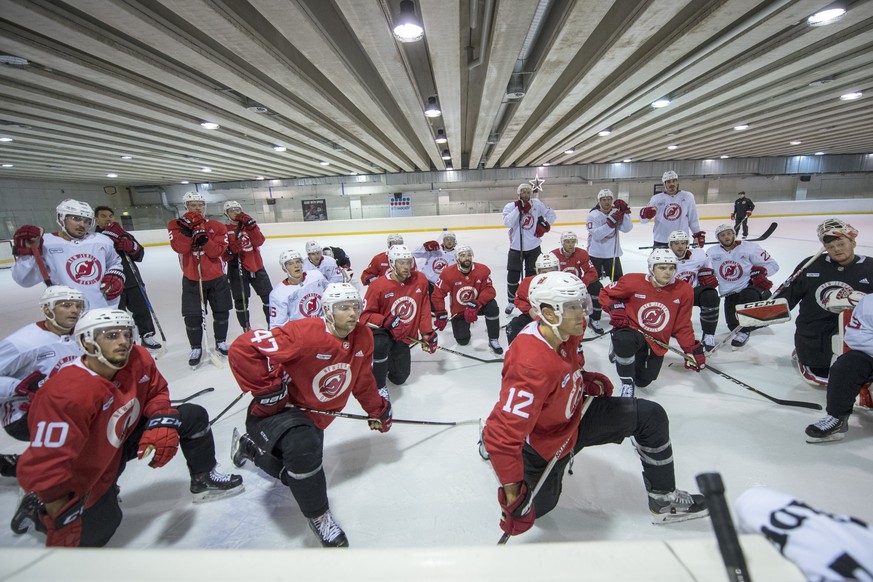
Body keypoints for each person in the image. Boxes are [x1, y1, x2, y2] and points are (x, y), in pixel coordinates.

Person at [482, 271, 707, 541]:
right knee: (539, 510)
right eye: (573, 307)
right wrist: (513, 500)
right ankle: (486, 434)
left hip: (576, 417)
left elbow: (567, 367)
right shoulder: (531, 364)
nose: (582, 314)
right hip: (543, 443)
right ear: (549, 313)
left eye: (581, 304)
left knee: (650, 416)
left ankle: (663, 498)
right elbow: (503, 438)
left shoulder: (566, 331)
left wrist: (584, 380)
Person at [14, 308, 243, 547]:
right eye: (111, 336)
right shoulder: (64, 395)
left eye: (126, 334)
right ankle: (36, 507)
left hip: (120, 441)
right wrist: (58, 509)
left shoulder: (139, 357)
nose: (123, 342)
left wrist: (160, 420)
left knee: (192, 416)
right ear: (87, 343)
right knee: (98, 534)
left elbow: (156, 391)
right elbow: (47, 464)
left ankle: (203, 478)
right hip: (89, 467)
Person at [228, 283, 391, 547]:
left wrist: (377, 409)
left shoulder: (363, 336)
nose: (352, 313)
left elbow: (361, 380)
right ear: (327, 311)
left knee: (301, 474)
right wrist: (268, 389)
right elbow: (243, 347)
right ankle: (320, 517)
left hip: (314, 417)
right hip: (279, 412)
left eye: (355, 306)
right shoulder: (302, 334)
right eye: (343, 307)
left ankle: (248, 448)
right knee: (304, 453)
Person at [0, 286, 85, 481]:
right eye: (66, 305)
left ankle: (32, 464)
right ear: (47, 310)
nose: (74, 310)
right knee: (85, 428)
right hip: (23, 416)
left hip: (63, 407)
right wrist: (18, 387)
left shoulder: (80, 334)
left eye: (77, 305)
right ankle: (44, 479)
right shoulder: (24, 342)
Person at [775, 219, 873, 385]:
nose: (836, 249)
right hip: (815, 335)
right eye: (830, 247)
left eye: (841, 243)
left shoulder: (870, 266)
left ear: (853, 242)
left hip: (857, 335)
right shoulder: (811, 265)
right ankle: (801, 352)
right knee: (823, 378)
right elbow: (785, 297)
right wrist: (758, 314)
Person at [600, 249, 706, 398]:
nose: (667, 272)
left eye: (671, 268)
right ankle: (626, 383)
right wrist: (615, 308)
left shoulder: (684, 290)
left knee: (643, 381)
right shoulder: (632, 281)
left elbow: (682, 324)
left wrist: (690, 349)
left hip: (656, 340)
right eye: (662, 267)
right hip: (631, 329)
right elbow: (605, 293)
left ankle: (633, 365)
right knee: (624, 341)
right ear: (651, 268)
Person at [12, 199, 125, 309]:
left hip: (104, 309)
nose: (82, 224)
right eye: (76, 219)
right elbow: (24, 280)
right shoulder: (45, 243)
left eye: (87, 221)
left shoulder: (102, 240)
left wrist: (116, 275)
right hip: (67, 313)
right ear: (61, 218)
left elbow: (115, 263)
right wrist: (28, 254)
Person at [361, 244, 437, 400]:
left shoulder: (420, 280)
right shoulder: (377, 286)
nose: (406, 267)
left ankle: (385, 362)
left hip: (404, 335)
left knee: (400, 378)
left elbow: (424, 307)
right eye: (401, 263)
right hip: (384, 331)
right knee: (381, 345)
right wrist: (386, 321)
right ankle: (379, 385)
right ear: (391, 263)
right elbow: (364, 316)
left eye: (408, 262)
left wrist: (427, 332)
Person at [167, 192, 232, 367]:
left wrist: (203, 238)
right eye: (193, 205)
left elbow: (217, 252)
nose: (197, 208)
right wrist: (188, 230)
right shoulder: (175, 225)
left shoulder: (217, 226)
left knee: (221, 312)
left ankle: (220, 341)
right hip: (192, 278)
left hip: (217, 277)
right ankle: (196, 347)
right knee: (192, 316)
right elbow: (179, 247)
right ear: (185, 207)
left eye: (200, 205)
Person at [804, 293, 873, 442]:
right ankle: (837, 418)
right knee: (846, 366)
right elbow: (857, 338)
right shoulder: (869, 303)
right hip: (870, 356)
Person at [93, 206, 161, 350]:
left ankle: (147, 335)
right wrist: (110, 239)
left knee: (141, 309)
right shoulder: (94, 239)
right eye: (103, 216)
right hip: (110, 282)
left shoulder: (123, 234)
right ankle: (123, 339)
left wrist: (131, 246)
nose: (108, 219)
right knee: (118, 314)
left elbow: (140, 254)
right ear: (96, 219)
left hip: (132, 278)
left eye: (110, 215)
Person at [707, 223, 780, 348]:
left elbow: (773, 265)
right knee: (733, 326)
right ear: (718, 238)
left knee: (748, 296)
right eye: (723, 235)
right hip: (730, 293)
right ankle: (761, 318)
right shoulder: (712, 252)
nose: (727, 237)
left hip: (749, 288)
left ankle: (746, 331)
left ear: (734, 234)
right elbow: (706, 270)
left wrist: (762, 273)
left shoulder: (750, 248)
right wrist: (706, 277)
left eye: (729, 233)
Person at [431, 245, 503, 355]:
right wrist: (440, 312)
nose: (467, 258)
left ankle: (493, 339)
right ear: (457, 258)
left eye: (469, 255)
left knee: (492, 306)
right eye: (463, 255)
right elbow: (437, 295)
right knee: (462, 341)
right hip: (459, 310)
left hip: (476, 305)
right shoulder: (448, 273)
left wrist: (478, 302)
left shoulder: (482, 270)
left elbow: (489, 290)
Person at [502, 182, 557, 315]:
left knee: (532, 277)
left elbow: (552, 215)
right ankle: (511, 301)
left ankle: (531, 300)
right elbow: (507, 223)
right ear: (518, 193)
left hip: (534, 247)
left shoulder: (537, 204)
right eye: (523, 192)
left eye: (528, 192)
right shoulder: (510, 206)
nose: (526, 195)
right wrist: (518, 209)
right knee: (513, 276)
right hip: (516, 247)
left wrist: (545, 225)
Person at [668, 230, 721, 351]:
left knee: (711, 295)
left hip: (693, 292)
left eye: (683, 243)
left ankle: (708, 334)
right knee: (675, 329)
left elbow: (708, 265)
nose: (680, 246)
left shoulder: (699, 255)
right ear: (670, 245)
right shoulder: (663, 258)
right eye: (676, 243)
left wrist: (708, 273)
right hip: (672, 295)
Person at [224, 201, 272, 331]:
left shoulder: (248, 226)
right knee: (241, 301)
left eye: (237, 209)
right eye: (231, 210)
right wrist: (230, 250)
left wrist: (251, 225)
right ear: (226, 213)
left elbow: (259, 241)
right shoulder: (224, 229)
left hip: (256, 266)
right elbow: (223, 255)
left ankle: (272, 324)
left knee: (269, 297)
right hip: (236, 269)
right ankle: (246, 328)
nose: (235, 212)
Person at [551, 231, 604, 334]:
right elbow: (550, 275)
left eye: (573, 241)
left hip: (577, 285)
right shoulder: (553, 255)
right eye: (567, 242)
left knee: (596, 287)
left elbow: (592, 272)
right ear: (562, 243)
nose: (571, 245)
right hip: (560, 286)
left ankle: (595, 319)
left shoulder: (582, 253)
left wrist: (581, 284)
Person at [639, 171, 704, 249]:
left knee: (683, 261)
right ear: (664, 183)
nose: (672, 184)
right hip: (661, 240)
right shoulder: (656, 199)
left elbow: (693, 219)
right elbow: (643, 221)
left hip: (681, 240)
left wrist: (697, 235)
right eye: (668, 182)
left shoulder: (688, 196)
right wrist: (645, 214)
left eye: (674, 181)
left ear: (677, 182)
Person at [505, 253, 559, 345]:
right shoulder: (528, 282)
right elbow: (518, 299)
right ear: (538, 271)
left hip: (559, 318)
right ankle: (516, 354)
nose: (548, 275)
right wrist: (529, 310)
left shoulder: (565, 282)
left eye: (552, 271)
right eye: (544, 272)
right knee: (513, 326)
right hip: (535, 317)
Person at [269, 250, 329, 328]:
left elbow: (330, 295)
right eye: (290, 263)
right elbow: (278, 326)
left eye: (298, 261)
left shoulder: (316, 276)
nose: (296, 265)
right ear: (284, 268)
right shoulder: (278, 294)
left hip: (324, 327)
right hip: (300, 334)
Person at [586, 189, 632, 281]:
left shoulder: (615, 212)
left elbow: (626, 229)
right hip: (596, 254)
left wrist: (625, 212)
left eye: (609, 199)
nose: (607, 202)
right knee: (593, 281)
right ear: (599, 201)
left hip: (613, 254)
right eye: (604, 199)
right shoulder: (592, 215)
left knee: (618, 282)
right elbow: (597, 235)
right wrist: (611, 222)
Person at [412, 231, 458, 311]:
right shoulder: (434, 250)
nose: (449, 241)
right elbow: (415, 253)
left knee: (438, 302)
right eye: (447, 239)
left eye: (451, 239)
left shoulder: (457, 255)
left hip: (443, 284)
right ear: (443, 241)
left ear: (455, 242)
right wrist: (424, 247)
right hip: (427, 281)